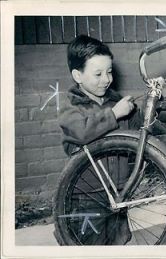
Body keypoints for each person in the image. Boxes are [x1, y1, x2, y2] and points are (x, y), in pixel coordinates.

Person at [58, 35, 141, 245]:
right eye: (98, 74)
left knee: (118, 241)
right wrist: (114, 114)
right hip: (87, 195)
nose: (107, 79)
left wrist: (149, 108)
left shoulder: (115, 100)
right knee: (88, 244)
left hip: (118, 192)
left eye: (109, 71)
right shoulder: (71, 106)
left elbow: (135, 132)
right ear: (78, 75)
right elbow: (80, 132)